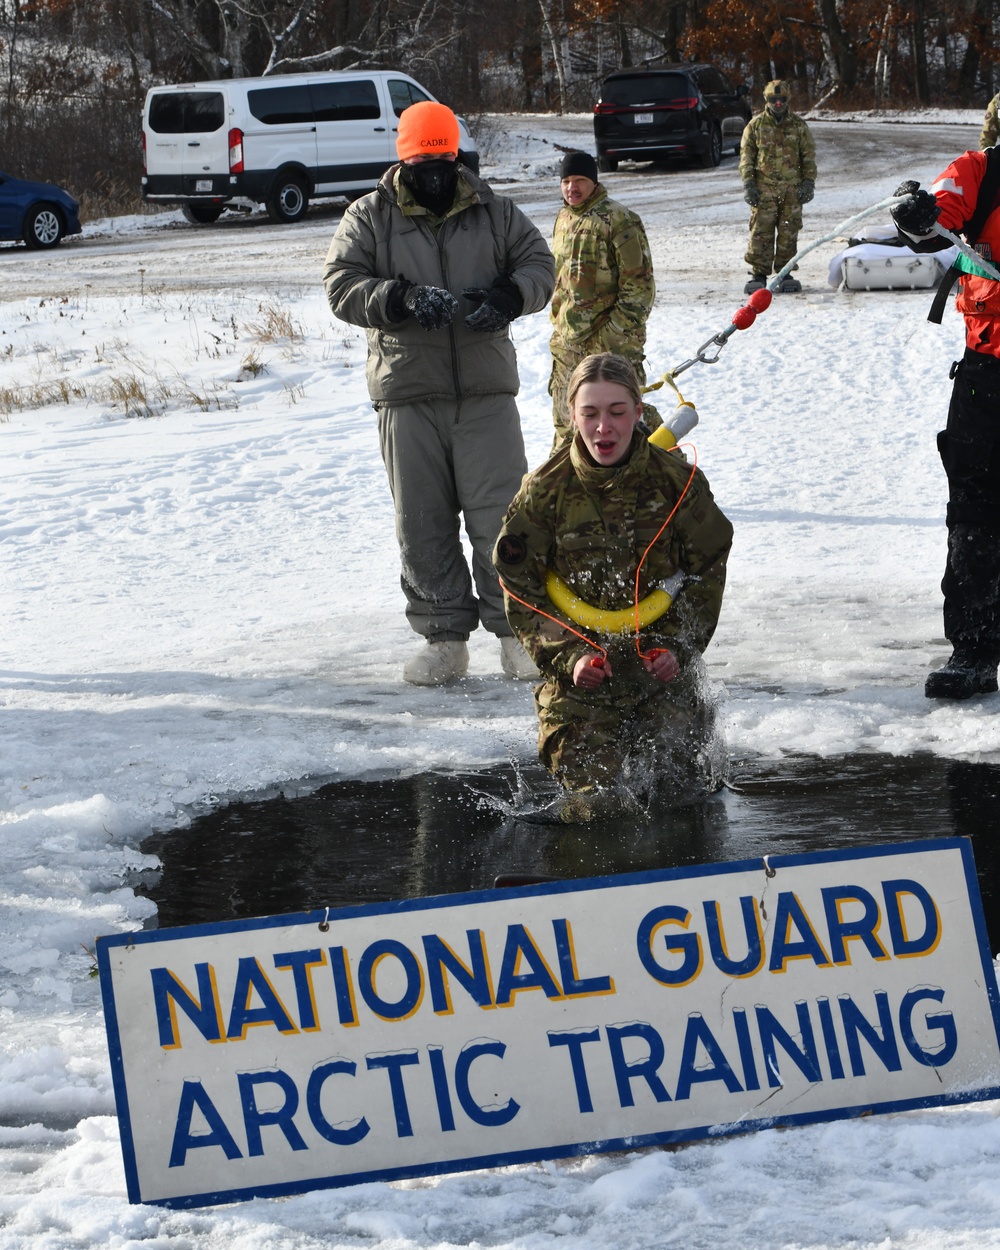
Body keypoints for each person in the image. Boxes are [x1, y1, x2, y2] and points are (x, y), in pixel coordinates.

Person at [323, 101, 555, 686]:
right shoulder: (369, 216)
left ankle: (517, 634)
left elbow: (539, 264)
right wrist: (397, 299)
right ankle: (442, 638)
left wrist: (507, 297)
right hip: (407, 392)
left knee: (502, 517)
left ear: (456, 156)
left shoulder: (494, 212)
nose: (434, 172)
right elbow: (341, 283)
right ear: (402, 159)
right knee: (422, 521)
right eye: (422, 162)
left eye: (443, 161)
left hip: (485, 391)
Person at [493, 353, 733, 811]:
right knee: (595, 806)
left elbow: (709, 563)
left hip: (660, 671)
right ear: (572, 415)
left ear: (639, 413)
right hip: (582, 678)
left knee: (680, 798)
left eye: (618, 412)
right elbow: (518, 583)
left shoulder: (678, 485)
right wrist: (568, 657)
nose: (604, 426)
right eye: (590, 413)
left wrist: (680, 647)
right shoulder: (545, 491)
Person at [890, 153, 1000, 699]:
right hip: (989, 370)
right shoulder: (981, 170)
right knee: (976, 513)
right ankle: (974, 651)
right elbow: (937, 224)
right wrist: (915, 215)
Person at [548, 151, 660, 451]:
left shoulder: (620, 221)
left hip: (610, 347)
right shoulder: (563, 219)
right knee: (568, 424)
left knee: (622, 427)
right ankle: (565, 491)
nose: (572, 187)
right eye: (567, 181)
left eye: (580, 180)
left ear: (594, 182)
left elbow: (639, 290)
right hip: (568, 348)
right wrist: (560, 328)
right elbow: (560, 281)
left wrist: (610, 337)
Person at [739, 80, 817, 294]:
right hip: (764, 189)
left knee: (789, 231)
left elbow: (808, 157)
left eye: (782, 99)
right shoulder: (755, 126)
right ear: (767, 100)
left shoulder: (799, 127)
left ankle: (785, 273)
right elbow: (747, 158)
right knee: (761, 232)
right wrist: (748, 184)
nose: (778, 103)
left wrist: (808, 182)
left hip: (792, 190)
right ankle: (758, 275)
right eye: (774, 100)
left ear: (787, 100)